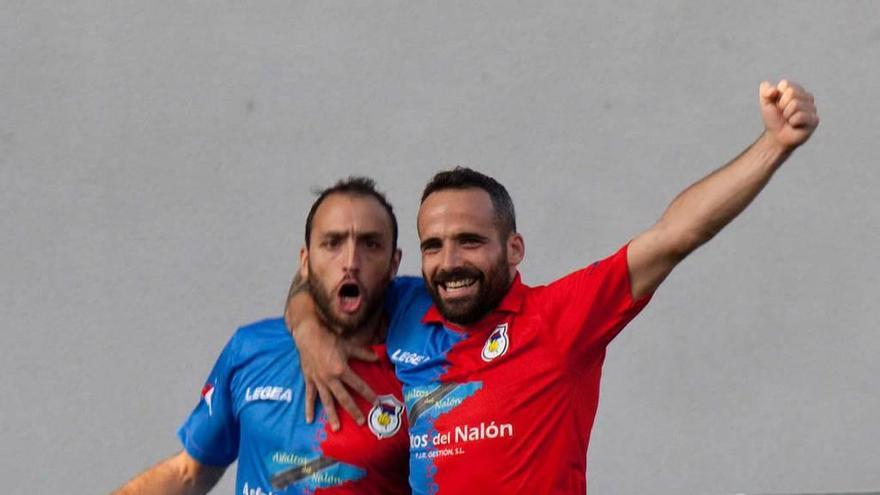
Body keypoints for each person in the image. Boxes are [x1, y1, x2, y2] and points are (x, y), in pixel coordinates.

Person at [287, 80, 820, 494]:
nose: (449, 263)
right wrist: (309, 330)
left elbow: (675, 235)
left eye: (470, 241)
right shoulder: (406, 306)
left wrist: (774, 144)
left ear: (514, 249)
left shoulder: (559, 319)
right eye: (434, 245)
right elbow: (321, 280)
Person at [112, 177, 411, 495]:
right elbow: (189, 472)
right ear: (305, 263)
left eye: (371, 244)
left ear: (394, 264)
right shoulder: (250, 348)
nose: (350, 263)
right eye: (332, 243)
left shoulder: (420, 367)